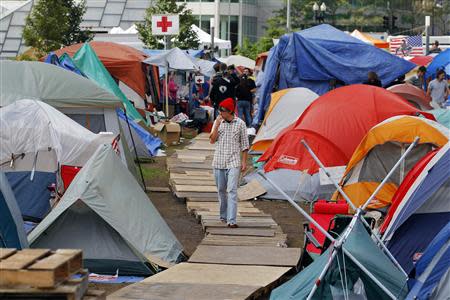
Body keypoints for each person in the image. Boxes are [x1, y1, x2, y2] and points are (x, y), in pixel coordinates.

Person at [209, 98, 249, 228]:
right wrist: (216, 125)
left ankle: (232, 220)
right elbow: (212, 140)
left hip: (233, 161)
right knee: (221, 190)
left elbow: (244, 145)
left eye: (223, 111)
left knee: (232, 190)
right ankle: (223, 215)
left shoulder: (241, 124)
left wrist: (244, 162)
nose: (221, 113)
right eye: (220, 110)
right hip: (219, 161)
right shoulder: (218, 121)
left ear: (230, 111)